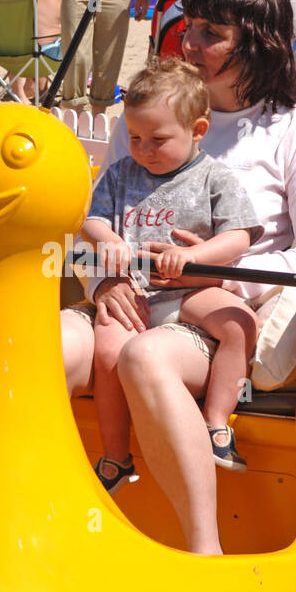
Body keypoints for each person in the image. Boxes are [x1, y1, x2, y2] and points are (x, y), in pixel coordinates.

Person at [61, 0, 296, 556]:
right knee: (31, 345)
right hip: (129, 298)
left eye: (211, 34)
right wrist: (107, 273)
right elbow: (97, 218)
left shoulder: (293, 130)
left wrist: (222, 276)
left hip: (213, 316)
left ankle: (202, 550)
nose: (188, 45)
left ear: (257, 43)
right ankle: (34, 523)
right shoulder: (145, 121)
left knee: (145, 357)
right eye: (187, 29)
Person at [81, 59, 260, 490]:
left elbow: (239, 235)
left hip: (191, 288)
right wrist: (107, 239)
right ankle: (115, 455)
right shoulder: (122, 173)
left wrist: (196, 256)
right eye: (136, 137)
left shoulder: (215, 177)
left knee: (240, 323)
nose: (143, 149)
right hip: (136, 292)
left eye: (157, 140)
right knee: (107, 351)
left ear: (197, 131)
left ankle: (217, 423)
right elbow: (92, 220)